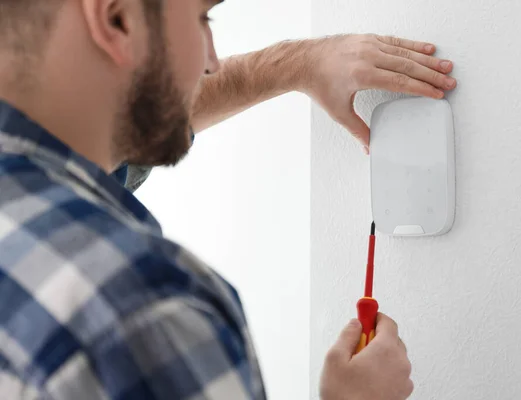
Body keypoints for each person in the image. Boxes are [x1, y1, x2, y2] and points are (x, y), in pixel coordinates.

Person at [0, 1, 456, 399]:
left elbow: (130, 122)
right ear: (117, 19)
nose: (213, 60)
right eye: (202, 17)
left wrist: (295, 64)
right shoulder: (145, 311)